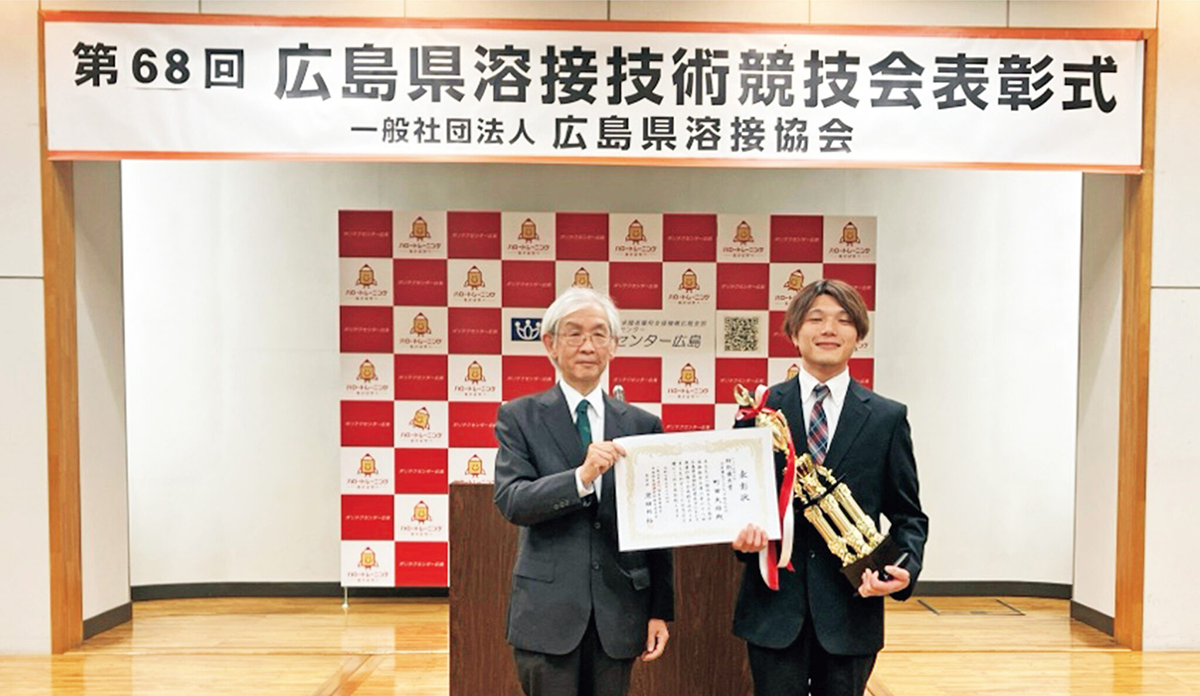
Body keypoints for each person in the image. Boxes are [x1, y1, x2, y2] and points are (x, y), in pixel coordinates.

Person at [731, 279, 928, 696]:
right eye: (815, 318)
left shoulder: (886, 419)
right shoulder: (760, 410)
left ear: (858, 335)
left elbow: (909, 516)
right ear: (794, 332)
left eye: (842, 320)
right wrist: (741, 541)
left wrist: (903, 571)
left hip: (851, 611)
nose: (828, 329)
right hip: (773, 612)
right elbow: (738, 505)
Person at [494, 288, 674, 696]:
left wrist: (660, 611)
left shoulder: (643, 425)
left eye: (598, 334)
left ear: (613, 346)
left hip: (619, 613)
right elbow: (513, 501)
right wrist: (582, 477)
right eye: (574, 334)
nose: (587, 346)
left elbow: (655, 527)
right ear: (551, 345)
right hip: (547, 614)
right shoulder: (519, 417)